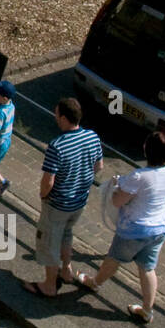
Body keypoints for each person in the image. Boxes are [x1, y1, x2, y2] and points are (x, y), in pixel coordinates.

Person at [74, 131, 165, 323]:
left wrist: (116, 188)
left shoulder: (138, 176)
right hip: (160, 228)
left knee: (113, 259)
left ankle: (94, 283)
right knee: (147, 268)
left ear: (148, 151)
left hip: (134, 230)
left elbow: (117, 201)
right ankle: (147, 310)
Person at [22, 97, 104, 299]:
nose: (55, 117)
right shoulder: (92, 136)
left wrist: (43, 195)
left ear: (65, 118)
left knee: (49, 241)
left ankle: (49, 285)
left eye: (57, 114)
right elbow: (99, 167)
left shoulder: (57, 146)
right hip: (78, 202)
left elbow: (48, 181)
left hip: (57, 204)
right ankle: (66, 271)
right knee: (66, 235)